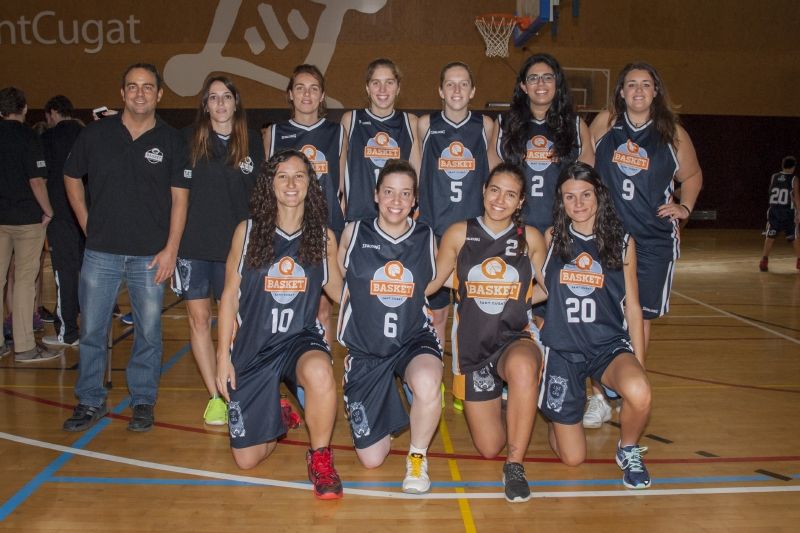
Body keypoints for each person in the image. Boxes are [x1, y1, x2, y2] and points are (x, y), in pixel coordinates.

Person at [62, 63, 190, 433]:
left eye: (147, 87)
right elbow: (71, 177)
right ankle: (89, 400)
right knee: (92, 330)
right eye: (132, 87)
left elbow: (180, 201)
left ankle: (143, 400)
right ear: (122, 93)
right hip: (100, 254)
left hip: (150, 256)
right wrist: (87, 222)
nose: (139, 94)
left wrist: (171, 249)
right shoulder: (96, 135)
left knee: (149, 331)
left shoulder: (172, 140)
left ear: (159, 94)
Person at [215, 150, 344, 500]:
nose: (291, 183)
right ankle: (280, 416)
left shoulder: (322, 237)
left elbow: (339, 291)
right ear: (269, 184)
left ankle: (320, 458)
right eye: (282, 176)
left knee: (320, 371)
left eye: (299, 176)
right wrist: (222, 358)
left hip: (299, 340)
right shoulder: (248, 232)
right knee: (247, 461)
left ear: (310, 184)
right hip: (254, 347)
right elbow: (228, 296)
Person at [589, 61, 702, 426]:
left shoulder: (673, 134)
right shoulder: (606, 123)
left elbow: (692, 175)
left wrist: (685, 206)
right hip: (606, 237)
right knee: (599, 313)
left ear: (656, 91)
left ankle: (628, 390)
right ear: (620, 92)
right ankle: (598, 397)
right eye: (631, 85)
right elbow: (584, 168)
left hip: (653, 241)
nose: (638, 91)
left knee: (642, 315)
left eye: (646, 85)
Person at [427, 163, 547, 503]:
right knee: (489, 447)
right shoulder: (458, 233)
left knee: (524, 367)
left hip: (515, 338)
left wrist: (523, 299)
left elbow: (550, 288)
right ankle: (512, 405)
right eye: (495, 189)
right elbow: (436, 281)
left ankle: (516, 465)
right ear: (483, 190)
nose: (500, 199)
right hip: (472, 350)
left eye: (511, 194)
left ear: (521, 201)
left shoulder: (530, 239)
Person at [538, 162, 652, 490]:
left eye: (585, 194)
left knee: (639, 391)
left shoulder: (622, 241)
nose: (579, 204)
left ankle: (628, 448)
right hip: (563, 348)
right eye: (569, 197)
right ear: (560, 201)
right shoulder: (552, 237)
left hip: (607, 345)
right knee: (573, 458)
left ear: (599, 195)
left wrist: (639, 363)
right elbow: (537, 291)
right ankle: (557, 415)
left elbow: (632, 305)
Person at [336, 159, 442, 494]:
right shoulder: (353, 232)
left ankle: (417, 456)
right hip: (367, 349)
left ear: (414, 201)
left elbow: (439, 289)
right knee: (372, 459)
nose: (396, 201)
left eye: (405, 194)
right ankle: (375, 392)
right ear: (376, 195)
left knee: (427, 380)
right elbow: (337, 286)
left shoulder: (427, 237)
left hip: (412, 339)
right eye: (389, 192)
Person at [174, 75, 264, 425]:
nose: (221, 104)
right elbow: (177, 195)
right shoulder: (189, 139)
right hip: (194, 246)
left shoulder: (252, 141)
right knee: (199, 321)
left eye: (226, 97)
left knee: (235, 326)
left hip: (236, 248)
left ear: (236, 102)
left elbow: (260, 197)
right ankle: (215, 396)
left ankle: (235, 389)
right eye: (213, 98)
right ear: (205, 104)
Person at [264, 64, 345, 346]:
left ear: (322, 95)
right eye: (300, 88)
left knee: (323, 309)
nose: (306, 94)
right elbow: (266, 185)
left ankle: (315, 383)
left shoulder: (338, 133)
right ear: (290, 94)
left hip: (325, 229)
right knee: (284, 304)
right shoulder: (274, 133)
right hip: (285, 232)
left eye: (313, 89)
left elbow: (342, 186)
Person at [417, 61, 493, 355]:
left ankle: (468, 383)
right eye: (450, 83)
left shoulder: (485, 126)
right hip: (435, 231)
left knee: (473, 313)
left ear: (473, 90)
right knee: (436, 314)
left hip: (474, 235)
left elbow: (493, 174)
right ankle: (433, 376)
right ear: (440, 90)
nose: (457, 89)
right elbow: (415, 170)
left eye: (463, 84)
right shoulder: (425, 125)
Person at [490, 53, 593, 234]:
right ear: (523, 85)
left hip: (561, 226)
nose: (540, 84)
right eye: (533, 78)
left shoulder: (575, 125)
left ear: (557, 83)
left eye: (547, 78)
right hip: (515, 224)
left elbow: (586, 181)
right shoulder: (504, 123)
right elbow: (495, 176)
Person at [0, 86, 62, 362]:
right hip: (27, 219)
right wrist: (48, 210)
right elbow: (36, 181)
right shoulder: (29, 137)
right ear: (24, 108)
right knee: (25, 281)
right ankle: (24, 346)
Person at [341, 58, 420, 222]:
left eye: (389, 82)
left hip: (397, 216)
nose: (382, 89)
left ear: (398, 88)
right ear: (367, 88)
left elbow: (417, 176)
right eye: (376, 83)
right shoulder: (351, 120)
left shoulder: (411, 122)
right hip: (358, 217)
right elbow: (340, 173)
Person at [40, 95, 85, 348]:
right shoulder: (88, 134)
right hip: (89, 216)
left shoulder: (47, 138)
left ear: (53, 112)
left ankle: (68, 332)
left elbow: (39, 177)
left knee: (64, 273)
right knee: (88, 273)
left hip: (61, 214)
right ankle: (91, 329)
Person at [759, 155, 799, 272]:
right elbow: (796, 197)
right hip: (787, 212)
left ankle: (764, 260)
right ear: (793, 167)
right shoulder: (794, 179)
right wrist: (799, 213)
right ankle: (799, 260)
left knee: (770, 236)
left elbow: (771, 192)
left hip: (774, 210)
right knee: (794, 237)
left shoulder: (774, 177)